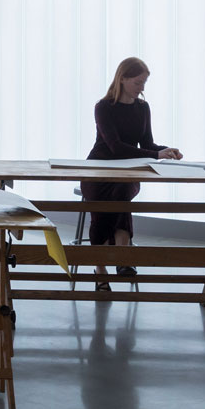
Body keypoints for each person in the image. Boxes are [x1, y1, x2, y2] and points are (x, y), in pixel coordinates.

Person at [85, 57, 182, 291]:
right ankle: (111, 262)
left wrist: (165, 151)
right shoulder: (103, 107)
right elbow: (115, 147)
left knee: (122, 190)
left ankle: (118, 254)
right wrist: (155, 155)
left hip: (128, 171)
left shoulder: (142, 108)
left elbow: (147, 144)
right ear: (123, 79)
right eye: (138, 82)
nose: (142, 88)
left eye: (144, 83)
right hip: (98, 169)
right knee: (110, 199)